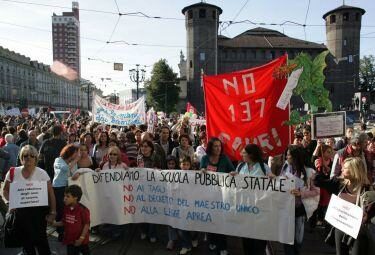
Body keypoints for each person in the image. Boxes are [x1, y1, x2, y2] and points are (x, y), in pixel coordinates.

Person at [3, 145, 56, 255]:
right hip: (20, 213)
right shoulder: (13, 172)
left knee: (42, 241)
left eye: (32, 155)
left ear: (36, 158)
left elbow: (51, 194)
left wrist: (53, 212)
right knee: (27, 243)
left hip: (38, 213)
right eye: (25, 155)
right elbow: (5, 191)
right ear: (21, 158)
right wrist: (11, 203)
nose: (29, 158)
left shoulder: (42, 173)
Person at [315, 157, 375, 255]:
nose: (341, 169)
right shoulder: (338, 183)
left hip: (357, 232)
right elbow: (317, 182)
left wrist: (367, 215)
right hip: (340, 228)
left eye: (345, 168)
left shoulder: (366, 189)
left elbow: (372, 208)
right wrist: (320, 168)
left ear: (354, 170)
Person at [231, 144, 273, 255]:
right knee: (246, 241)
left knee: (259, 243)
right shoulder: (240, 167)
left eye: (244, 153)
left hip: (260, 211)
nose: (242, 154)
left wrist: (273, 179)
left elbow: (272, 186)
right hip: (245, 210)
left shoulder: (264, 168)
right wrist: (233, 177)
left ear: (251, 155)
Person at [280, 145, 319, 255]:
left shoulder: (309, 172)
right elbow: (280, 183)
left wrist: (301, 193)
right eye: (286, 154)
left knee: (297, 240)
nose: (286, 157)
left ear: (296, 157)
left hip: (299, 210)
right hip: (286, 209)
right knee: (286, 240)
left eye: (289, 155)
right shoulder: (285, 167)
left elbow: (316, 192)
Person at [200, 137, 235, 255]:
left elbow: (233, 171)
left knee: (221, 222)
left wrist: (232, 173)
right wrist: (202, 171)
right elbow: (200, 171)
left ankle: (223, 246)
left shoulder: (225, 159)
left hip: (222, 196)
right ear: (210, 147)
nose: (218, 148)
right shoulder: (204, 158)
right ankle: (212, 241)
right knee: (210, 220)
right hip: (208, 196)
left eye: (219, 146)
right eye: (215, 146)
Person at [53, 144, 80, 241]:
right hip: (59, 188)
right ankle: (60, 232)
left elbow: (74, 172)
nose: (77, 154)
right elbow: (65, 169)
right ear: (70, 152)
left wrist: (76, 174)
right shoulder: (58, 160)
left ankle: (68, 230)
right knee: (60, 210)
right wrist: (75, 160)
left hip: (68, 187)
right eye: (76, 152)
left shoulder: (73, 162)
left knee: (68, 209)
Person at [52, 185, 90, 255]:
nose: (64, 198)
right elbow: (64, 222)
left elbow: (86, 224)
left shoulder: (83, 210)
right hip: (70, 241)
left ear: (75, 197)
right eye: (64, 196)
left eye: (68, 196)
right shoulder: (66, 208)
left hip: (81, 241)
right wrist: (54, 223)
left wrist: (81, 238)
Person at [137, 140, 161, 242]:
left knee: (152, 212)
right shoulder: (139, 157)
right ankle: (143, 231)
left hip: (153, 189)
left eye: (146, 146)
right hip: (141, 188)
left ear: (151, 148)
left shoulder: (157, 157)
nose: (144, 148)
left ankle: (152, 233)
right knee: (142, 210)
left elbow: (162, 171)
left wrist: (157, 171)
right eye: (142, 146)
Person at [177, 156, 199, 255]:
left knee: (193, 225)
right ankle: (186, 245)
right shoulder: (175, 175)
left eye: (187, 164)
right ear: (180, 165)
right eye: (183, 164)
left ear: (190, 165)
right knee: (181, 227)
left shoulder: (194, 175)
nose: (185, 166)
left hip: (192, 205)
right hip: (180, 205)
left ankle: (194, 238)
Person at [165, 155, 179, 250]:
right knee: (170, 220)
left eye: (173, 164)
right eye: (169, 164)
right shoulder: (163, 173)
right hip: (169, 201)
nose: (171, 166)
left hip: (180, 201)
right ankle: (171, 239)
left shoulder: (181, 173)